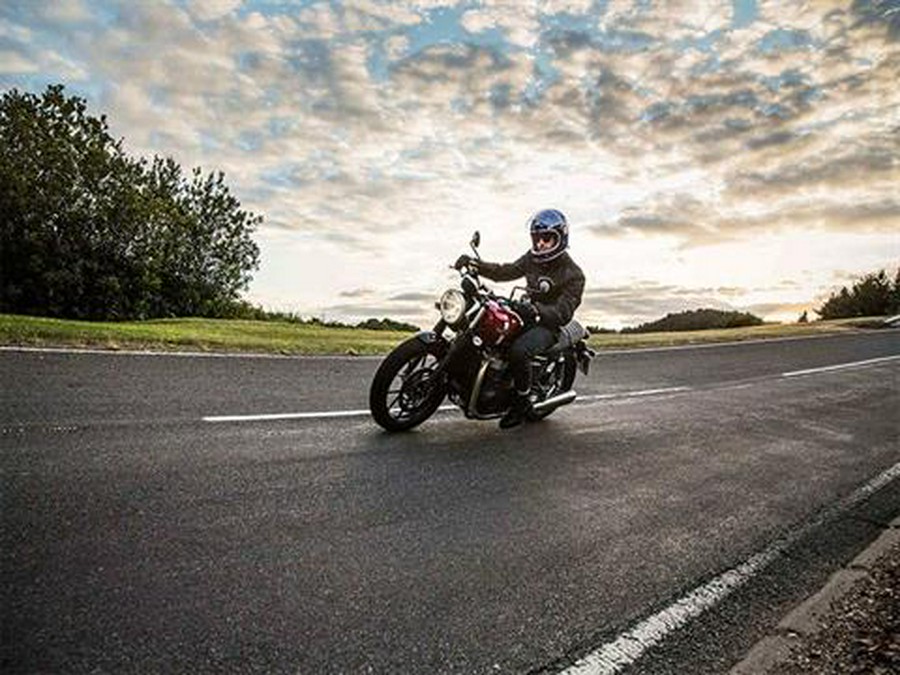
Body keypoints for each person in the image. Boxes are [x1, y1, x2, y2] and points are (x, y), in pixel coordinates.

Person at [455, 209, 586, 429]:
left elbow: (563, 312)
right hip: (527, 311)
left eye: (547, 238)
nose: (541, 244)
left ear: (561, 238)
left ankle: (521, 401)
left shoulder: (573, 274)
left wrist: (536, 310)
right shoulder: (531, 258)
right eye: (537, 238)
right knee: (488, 333)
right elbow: (505, 271)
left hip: (548, 325)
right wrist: (475, 265)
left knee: (518, 351)